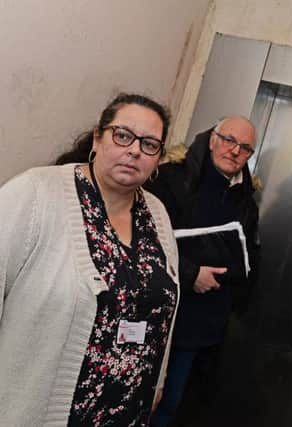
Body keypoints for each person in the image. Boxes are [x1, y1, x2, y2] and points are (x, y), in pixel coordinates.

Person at [0, 93, 180, 426]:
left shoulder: (157, 214)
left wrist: (157, 380)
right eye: (123, 135)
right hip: (41, 410)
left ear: (158, 158)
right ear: (98, 137)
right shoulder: (35, 194)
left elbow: (162, 313)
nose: (134, 150)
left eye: (149, 144)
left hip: (128, 412)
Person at [144, 116, 260, 426]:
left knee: (174, 407)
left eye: (245, 148)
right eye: (228, 140)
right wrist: (190, 273)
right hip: (156, 317)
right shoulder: (170, 179)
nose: (234, 151)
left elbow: (250, 257)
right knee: (140, 402)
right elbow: (142, 238)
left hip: (204, 328)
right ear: (212, 138)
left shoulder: (246, 199)